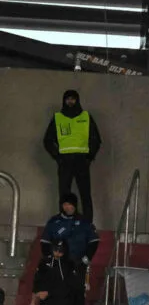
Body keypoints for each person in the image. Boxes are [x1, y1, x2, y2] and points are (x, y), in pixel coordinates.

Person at [43, 89, 101, 219]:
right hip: (65, 161)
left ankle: (87, 224)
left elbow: (96, 139)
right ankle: (64, 222)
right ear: (64, 101)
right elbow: (47, 140)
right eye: (68, 99)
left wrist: (89, 157)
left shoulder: (86, 116)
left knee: (85, 194)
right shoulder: (58, 117)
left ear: (77, 100)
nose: (70, 101)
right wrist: (58, 157)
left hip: (82, 160)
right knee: (64, 194)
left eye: (73, 99)